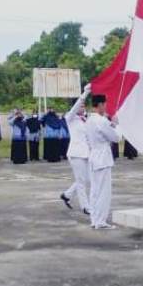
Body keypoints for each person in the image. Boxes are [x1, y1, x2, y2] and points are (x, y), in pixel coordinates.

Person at [86, 94, 121, 229]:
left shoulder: (89, 120)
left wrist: (110, 124)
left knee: (95, 190)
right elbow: (116, 138)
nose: (106, 106)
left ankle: (94, 219)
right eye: (105, 104)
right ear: (100, 105)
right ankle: (100, 221)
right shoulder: (101, 120)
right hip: (103, 158)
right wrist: (116, 125)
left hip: (94, 156)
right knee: (104, 192)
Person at [60, 85, 92, 215]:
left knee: (87, 179)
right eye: (81, 105)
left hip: (86, 153)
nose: (82, 107)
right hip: (76, 153)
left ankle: (67, 195)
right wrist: (85, 93)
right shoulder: (70, 117)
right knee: (81, 181)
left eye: (84, 106)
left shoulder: (85, 119)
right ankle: (85, 206)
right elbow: (75, 106)